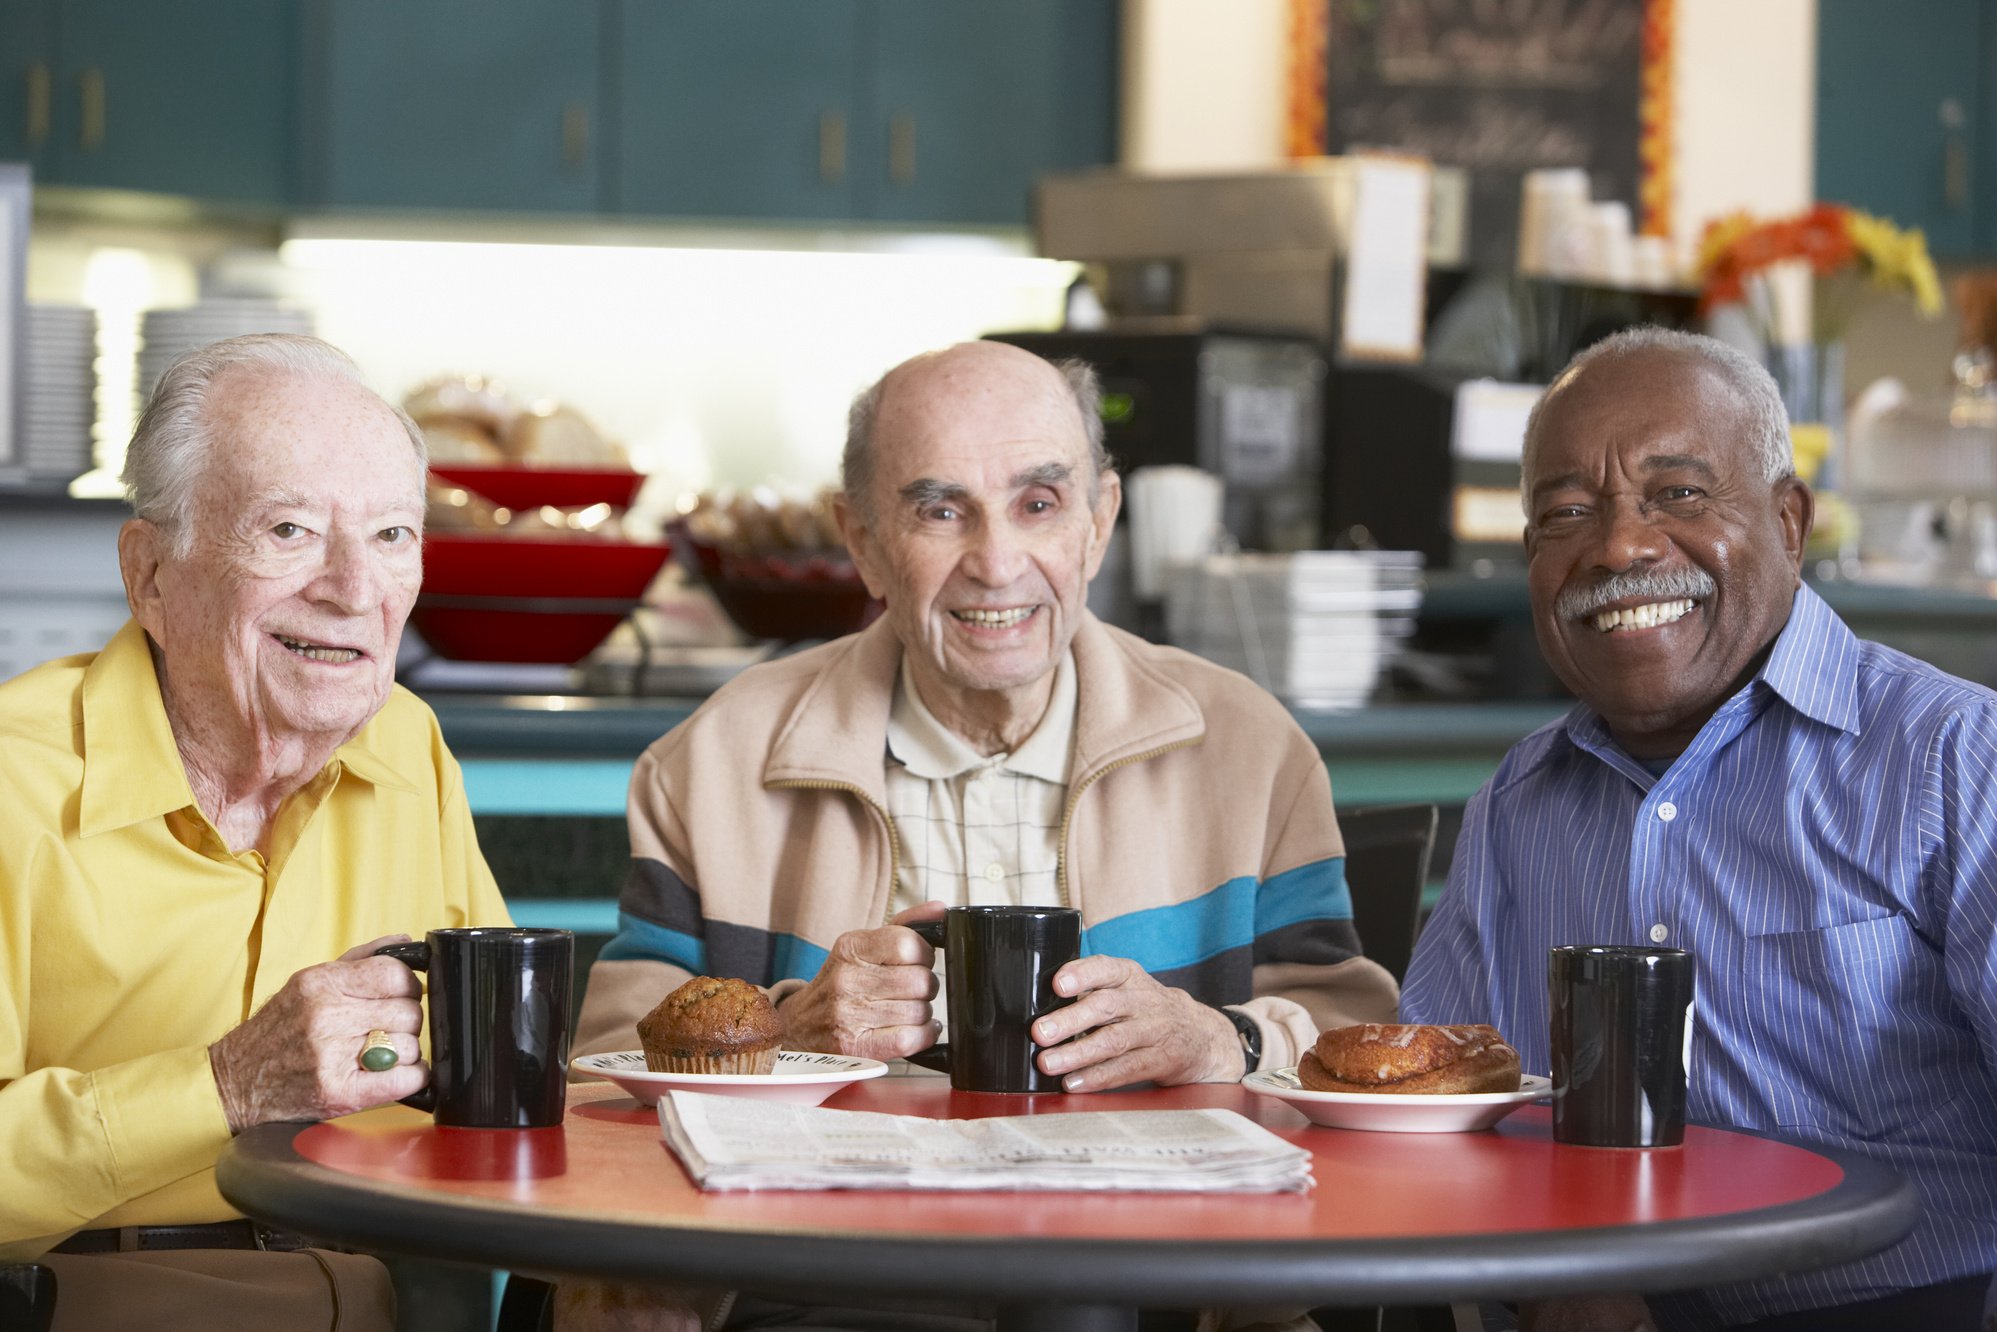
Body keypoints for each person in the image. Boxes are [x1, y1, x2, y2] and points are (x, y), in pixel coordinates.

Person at [567, 339, 1396, 1331]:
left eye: (1038, 505)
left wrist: (1215, 1037)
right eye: (939, 510)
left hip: (1164, 1286)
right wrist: (789, 1037)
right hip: (808, 1282)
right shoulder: (713, 764)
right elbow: (600, 1087)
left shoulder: (1248, 749)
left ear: (1098, 524)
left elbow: (1353, 1048)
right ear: (863, 541)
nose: (996, 564)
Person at [1401, 327, 1997, 1332]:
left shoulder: (1951, 759)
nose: (1619, 546)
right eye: (1565, 513)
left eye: (1676, 493)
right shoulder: (1517, 804)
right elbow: (1438, 1124)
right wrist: (1552, 1275)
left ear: (1787, 520)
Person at [0, 333, 510, 1331]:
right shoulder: (14, 780)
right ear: (151, 574)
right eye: (287, 531)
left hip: (390, 1289)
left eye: (392, 536)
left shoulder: (408, 746)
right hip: (89, 1302)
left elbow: (494, 1075)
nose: (353, 590)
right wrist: (224, 1085)